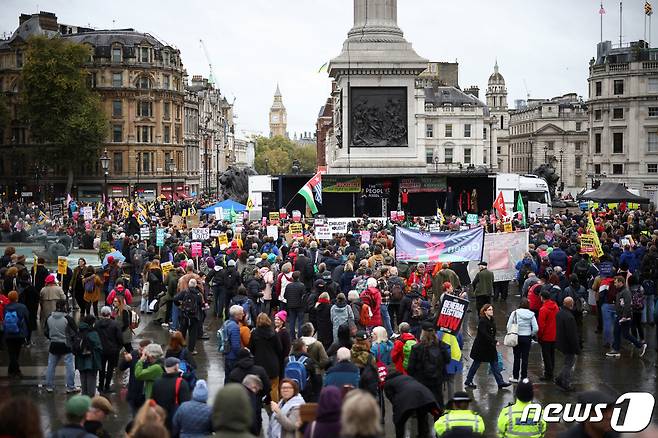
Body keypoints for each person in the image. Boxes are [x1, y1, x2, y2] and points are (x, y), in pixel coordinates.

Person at [464, 304, 511, 390]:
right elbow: (484, 334)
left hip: (489, 348)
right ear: (485, 311)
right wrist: (494, 341)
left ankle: (500, 382)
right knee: (476, 364)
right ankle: (468, 380)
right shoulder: (482, 321)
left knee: (494, 364)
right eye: (489, 310)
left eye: (492, 309)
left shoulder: (491, 320)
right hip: (481, 348)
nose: (491, 311)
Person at [384, 369, 440, 438]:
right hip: (425, 396)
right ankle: (424, 435)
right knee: (423, 415)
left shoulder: (388, 383)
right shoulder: (407, 377)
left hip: (406, 400)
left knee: (399, 421)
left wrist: (402, 411)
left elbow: (392, 398)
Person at [407, 321, 449, 408]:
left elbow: (410, 368)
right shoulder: (441, 345)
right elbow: (447, 360)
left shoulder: (417, 348)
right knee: (438, 402)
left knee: (422, 404)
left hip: (422, 380)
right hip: (437, 379)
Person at [607, 275, 648, 358]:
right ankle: (639, 345)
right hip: (621, 315)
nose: (614, 284)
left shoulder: (625, 292)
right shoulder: (621, 291)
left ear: (621, 283)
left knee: (619, 333)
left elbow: (627, 305)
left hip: (624, 316)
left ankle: (616, 349)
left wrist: (625, 316)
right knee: (622, 333)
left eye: (616, 282)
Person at [43, 299, 79, 393]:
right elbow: (75, 332)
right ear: (65, 306)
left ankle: (49, 386)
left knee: (51, 365)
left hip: (54, 343)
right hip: (66, 344)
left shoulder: (49, 317)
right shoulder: (68, 318)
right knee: (69, 366)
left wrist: (51, 338)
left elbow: (46, 331)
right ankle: (70, 386)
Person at [249, 312, 284, 401]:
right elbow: (280, 350)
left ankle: (257, 409)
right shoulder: (274, 333)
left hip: (259, 364)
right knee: (274, 388)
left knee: (258, 388)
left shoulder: (254, 333)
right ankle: (274, 410)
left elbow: (251, 349)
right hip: (273, 364)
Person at [151, 356, 192, 430]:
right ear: (176, 367)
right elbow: (186, 405)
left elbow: (152, 401)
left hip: (160, 421)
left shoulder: (157, 382)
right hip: (175, 422)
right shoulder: (181, 383)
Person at [506, 298, 538, 382]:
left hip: (517, 337)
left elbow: (508, 325)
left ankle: (515, 377)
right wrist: (531, 334)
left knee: (516, 357)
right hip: (527, 337)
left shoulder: (515, 313)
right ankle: (524, 377)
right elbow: (536, 328)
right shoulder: (531, 314)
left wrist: (510, 333)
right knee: (525, 358)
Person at [95, 305, 124, 394]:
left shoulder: (97, 324)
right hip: (112, 350)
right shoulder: (115, 324)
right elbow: (120, 338)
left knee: (101, 368)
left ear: (102, 313)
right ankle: (107, 386)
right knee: (110, 368)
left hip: (101, 350)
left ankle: (100, 385)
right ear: (110, 313)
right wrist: (118, 347)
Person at [119, 339, 152, 414]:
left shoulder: (151, 359)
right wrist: (126, 361)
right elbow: (121, 368)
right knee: (134, 417)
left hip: (145, 394)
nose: (139, 351)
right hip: (133, 393)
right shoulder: (133, 354)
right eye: (139, 349)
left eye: (142, 350)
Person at [555, 297, 581, 391]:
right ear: (571, 304)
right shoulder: (569, 317)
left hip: (561, 342)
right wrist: (577, 348)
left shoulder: (559, 313)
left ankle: (559, 378)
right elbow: (572, 334)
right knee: (569, 364)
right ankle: (565, 383)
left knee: (567, 363)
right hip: (568, 345)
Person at [74, 315, 103, 397]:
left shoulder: (79, 331)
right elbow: (99, 347)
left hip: (80, 360)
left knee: (83, 379)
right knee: (91, 379)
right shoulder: (93, 333)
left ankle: (84, 396)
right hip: (91, 361)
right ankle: (90, 398)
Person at [174, 278, 203, 354]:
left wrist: (179, 305)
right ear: (196, 285)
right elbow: (200, 304)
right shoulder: (198, 294)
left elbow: (175, 299)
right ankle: (191, 349)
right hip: (194, 316)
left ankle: (180, 347)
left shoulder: (184, 292)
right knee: (193, 333)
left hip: (184, 315)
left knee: (182, 331)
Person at [537, 291, 558, 382]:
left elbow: (541, 325)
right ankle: (551, 371)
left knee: (546, 356)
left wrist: (539, 336)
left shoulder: (543, 309)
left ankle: (548, 374)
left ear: (542, 297)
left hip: (546, 336)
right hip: (554, 334)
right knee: (552, 354)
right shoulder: (556, 307)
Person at [223, 304, 244, 380]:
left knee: (227, 377)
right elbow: (236, 346)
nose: (243, 314)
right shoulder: (235, 327)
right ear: (237, 315)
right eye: (241, 313)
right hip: (233, 358)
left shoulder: (227, 323)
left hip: (227, 354)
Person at [283, 271, 305, 339]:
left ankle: (292, 336)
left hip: (290, 305)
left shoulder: (288, 286)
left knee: (292, 321)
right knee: (300, 321)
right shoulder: (301, 285)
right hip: (300, 306)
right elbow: (304, 296)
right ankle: (300, 335)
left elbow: (285, 296)